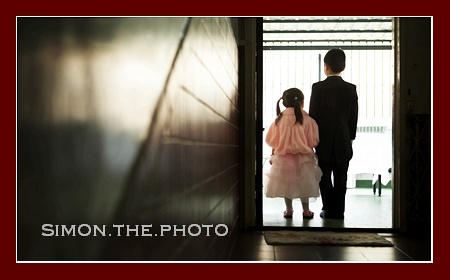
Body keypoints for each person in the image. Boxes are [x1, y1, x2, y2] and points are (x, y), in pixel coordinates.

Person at [309, 48, 359, 219]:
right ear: (343, 66)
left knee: (323, 176)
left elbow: (313, 116)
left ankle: (327, 208)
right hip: (344, 140)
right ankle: (339, 211)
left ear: (326, 66)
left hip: (322, 140)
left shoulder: (318, 88)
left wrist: (312, 139)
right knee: (341, 177)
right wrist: (350, 137)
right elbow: (353, 117)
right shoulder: (351, 89)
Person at [264, 87, 322, 219]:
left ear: (284, 102)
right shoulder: (308, 120)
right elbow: (313, 141)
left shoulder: (279, 120)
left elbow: (272, 140)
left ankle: (288, 210)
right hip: (304, 157)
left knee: (286, 184)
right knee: (304, 183)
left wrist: (274, 153)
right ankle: (306, 210)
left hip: (283, 157)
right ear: (302, 102)